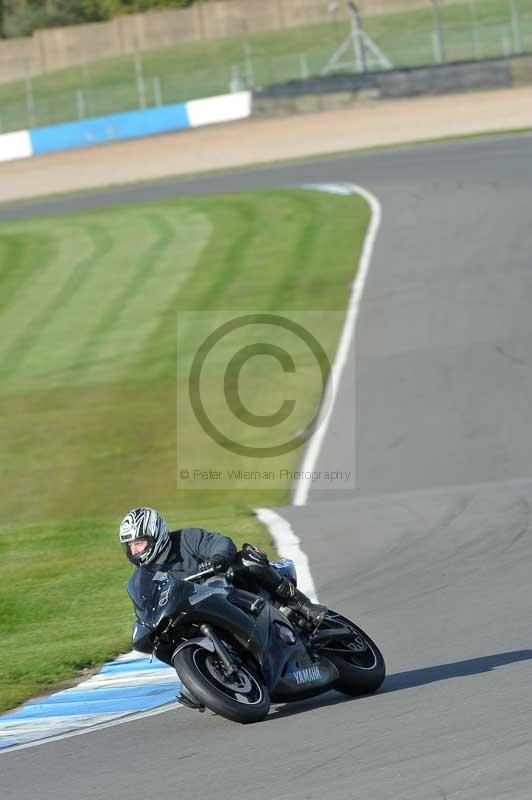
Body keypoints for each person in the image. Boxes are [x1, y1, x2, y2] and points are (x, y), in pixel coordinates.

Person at [119, 506, 326, 624]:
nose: (135, 551)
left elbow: (221, 543)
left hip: (227, 590)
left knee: (248, 558)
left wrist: (217, 559)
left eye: (139, 543)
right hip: (198, 613)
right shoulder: (144, 576)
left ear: (156, 535)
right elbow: (146, 606)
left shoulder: (186, 538)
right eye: (131, 546)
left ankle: (302, 605)